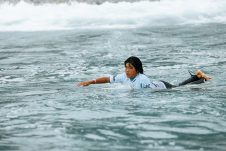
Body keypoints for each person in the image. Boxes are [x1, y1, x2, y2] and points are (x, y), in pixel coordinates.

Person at [77, 56, 211, 89]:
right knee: (181, 85)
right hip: (156, 84)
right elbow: (108, 78)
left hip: (162, 87)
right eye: (126, 67)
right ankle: (198, 75)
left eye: (130, 68)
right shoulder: (124, 76)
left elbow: (150, 96)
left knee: (182, 88)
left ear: (137, 69)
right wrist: (91, 81)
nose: (127, 70)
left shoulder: (142, 80)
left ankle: (202, 78)